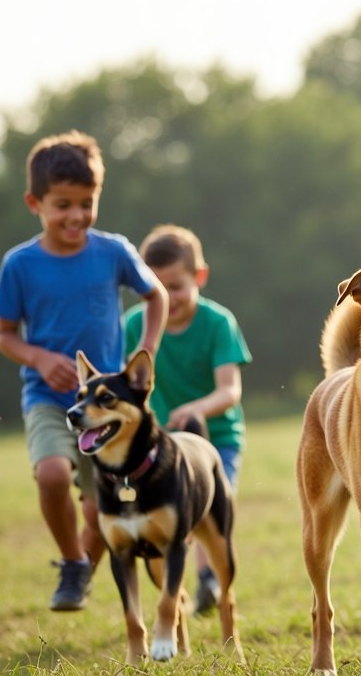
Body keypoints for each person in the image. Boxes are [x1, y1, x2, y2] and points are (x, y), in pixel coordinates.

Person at [0, 131, 167, 611]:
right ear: (35, 202)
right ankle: (72, 563)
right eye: (62, 204)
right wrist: (40, 359)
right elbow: (4, 335)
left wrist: (145, 351)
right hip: (47, 399)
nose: (76, 215)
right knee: (50, 475)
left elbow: (157, 296)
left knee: (97, 511)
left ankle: (81, 572)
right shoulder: (19, 265)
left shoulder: (113, 252)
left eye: (87, 203)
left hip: (106, 407)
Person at [124, 224, 252, 615]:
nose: (167, 297)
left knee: (204, 512)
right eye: (156, 288)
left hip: (216, 439)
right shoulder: (133, 326)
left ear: (199, 277)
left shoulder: (217, 323)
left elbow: (230, 390)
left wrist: (197, 408)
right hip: (160, 447)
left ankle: (210, 579)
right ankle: (173, 592)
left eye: (176, 286)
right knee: (164, 516)